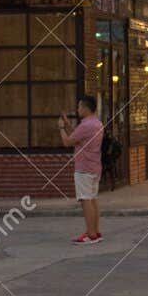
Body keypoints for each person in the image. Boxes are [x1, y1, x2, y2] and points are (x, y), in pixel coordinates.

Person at [59, 94, 104, 244]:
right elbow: (78, 136)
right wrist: (67, 124)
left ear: (85, 108)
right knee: (93, 200)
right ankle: (96, 232)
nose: (78, 109)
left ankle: (90, 234)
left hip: (84, 168)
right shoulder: (96, 123)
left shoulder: (86, 125)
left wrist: (61, 128)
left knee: (85, 200)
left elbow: (68, 141)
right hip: (95, 166)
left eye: (79, 106)